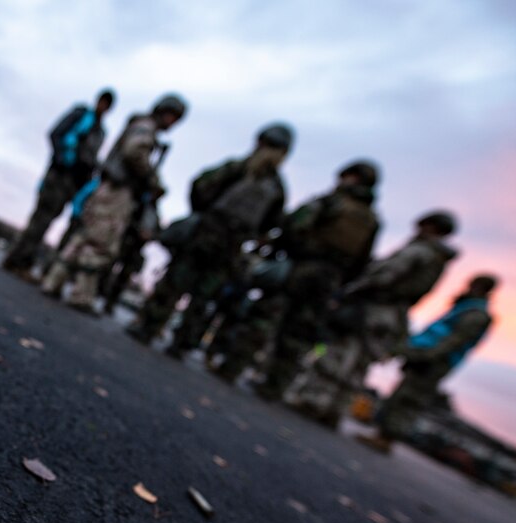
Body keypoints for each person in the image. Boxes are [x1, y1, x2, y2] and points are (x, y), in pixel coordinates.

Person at [211, 160, 381, 392]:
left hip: (301, 268)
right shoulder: (371, 220)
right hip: (330, 278)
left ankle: (232, 367)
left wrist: (283, 248)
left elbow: (295, 225)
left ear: (352, 178)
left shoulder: (332, 202)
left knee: (265, 316)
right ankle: (275, 386)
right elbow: (363, 260)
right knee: (300, 332)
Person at [127, 123, 293, 357]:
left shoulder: (247, 171)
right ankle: (172, 337)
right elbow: (272, 222)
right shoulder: (268, 183)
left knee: (189, 287)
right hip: (221, 238)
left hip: (218, 237)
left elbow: (203, 186)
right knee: (191, 287)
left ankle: (157, 330)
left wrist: (206, 214)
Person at [286, 211, 459, 428]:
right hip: (392, 315)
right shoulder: (437, 261)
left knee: (339, 352)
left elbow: (384, 275)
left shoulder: (419, 251)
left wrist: (351, 291)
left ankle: (314, 401)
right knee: (360, 363)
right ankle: (336, 409)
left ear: (430, 227)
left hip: (371, 308)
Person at [39, 94, 187, 312]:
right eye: (172, 117)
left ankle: (54, 280)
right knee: (101, 241)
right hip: (117, 191)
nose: (172, 123)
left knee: (85, 236)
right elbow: (134, 153)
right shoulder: (146, 127)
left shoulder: (140, 125)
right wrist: (152, 181)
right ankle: (81, 294)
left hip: (108, 188)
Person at [356, 274, 498, 453]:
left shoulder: (476, 314)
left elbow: (453, 341)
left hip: (435, 361)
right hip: (427, 356)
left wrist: (426, 356)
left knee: (409, 399)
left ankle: (387, 438)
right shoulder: (466, 308)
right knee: (402, 394)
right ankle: (382, 434)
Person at [2, 89, 116, 278]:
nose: (103, 108)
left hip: (73, 183)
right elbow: (56, 134)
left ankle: (22, 260)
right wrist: (64, 159)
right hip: (59, 176)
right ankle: (18, 260)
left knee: (48, 219)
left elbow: (90, 157)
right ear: (98, 100)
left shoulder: (101, 131)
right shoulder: (81, 116)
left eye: (108, 106)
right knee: (41, 219)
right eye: (103, 102)